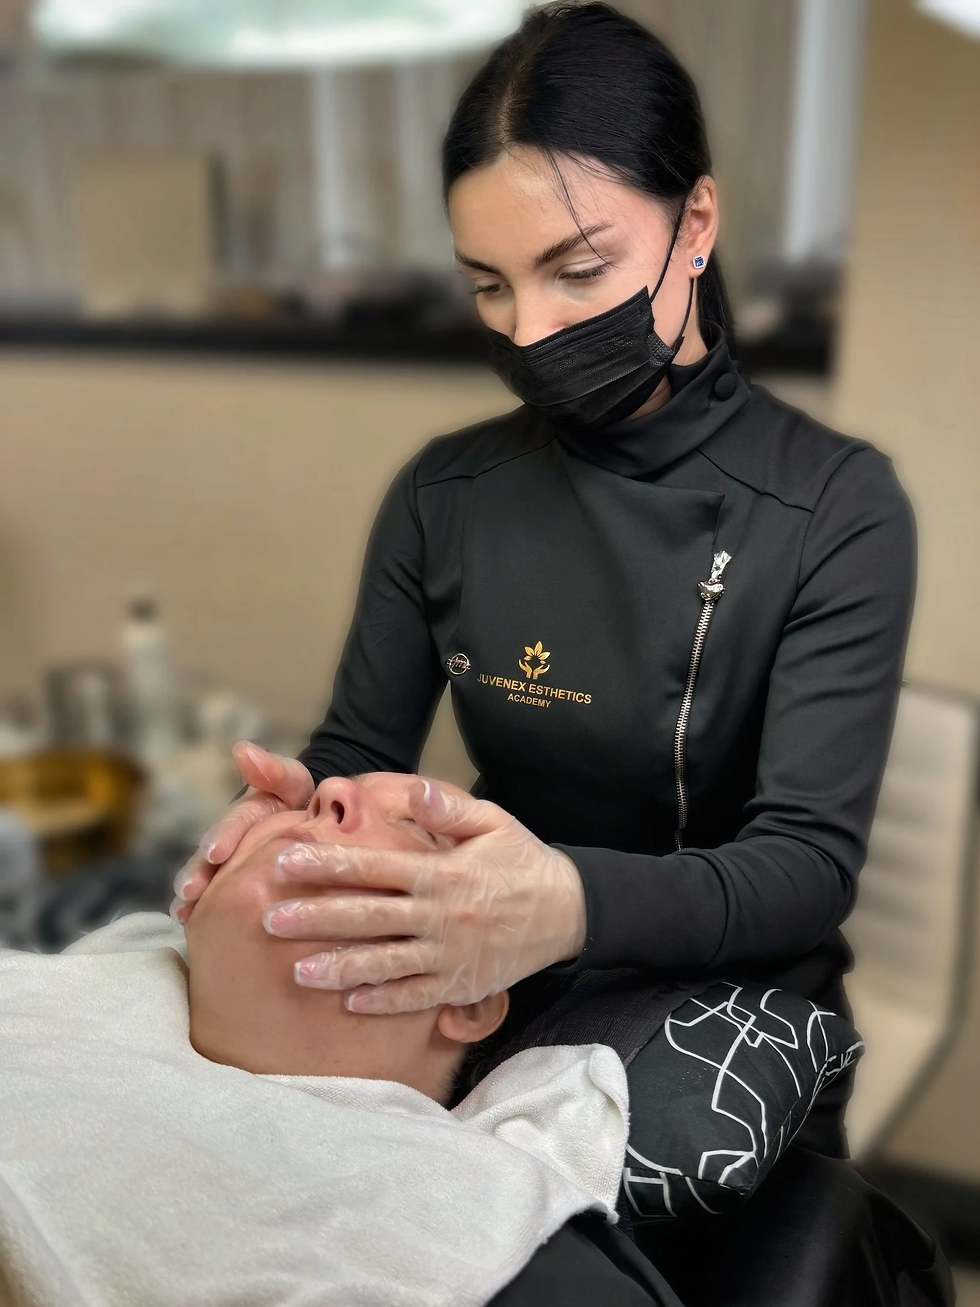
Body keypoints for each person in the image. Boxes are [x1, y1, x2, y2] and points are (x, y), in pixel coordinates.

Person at [173, 2, 915, 1157]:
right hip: (481, 982)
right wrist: (287, 810)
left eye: (578, 270)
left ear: (695, 223)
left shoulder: (830, 508)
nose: (530, 331)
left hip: (723, 998)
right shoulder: (445, 494)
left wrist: (559, 904)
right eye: (487, 285)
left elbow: (804, 867)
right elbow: (356, 745)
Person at [0, 772, 683, 1307]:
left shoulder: (483, 1238)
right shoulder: (51, 990)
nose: (329, 791)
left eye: (419, 826)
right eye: (298, 807)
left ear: (469, 997)